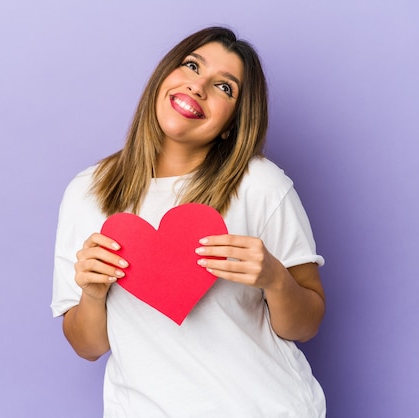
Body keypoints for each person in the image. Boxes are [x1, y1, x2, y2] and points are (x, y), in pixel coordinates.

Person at [51, 26, 327, 417]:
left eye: (224, 87)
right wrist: (93, 295)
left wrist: (275, 278)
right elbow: (88, 347)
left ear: (233, 122)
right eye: (192, 65)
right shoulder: (87, 192)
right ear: (164, 77)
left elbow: (307, 325)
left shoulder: (260, 184)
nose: (198, 86)